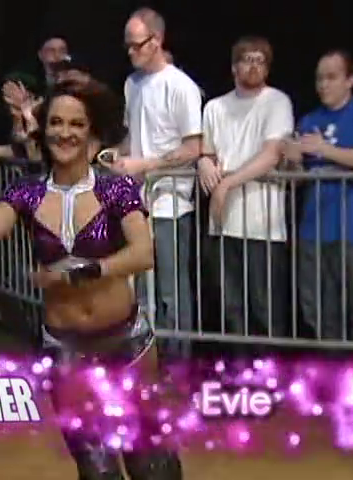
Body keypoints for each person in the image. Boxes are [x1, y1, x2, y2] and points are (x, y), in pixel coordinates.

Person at [0, 80, 183, 479]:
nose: (65, 132)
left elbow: (143, 253)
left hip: (127, 343)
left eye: (76, 123)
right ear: (43, 129)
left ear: (92, 133)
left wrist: (85, 270)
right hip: (65, 350)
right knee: (96, 467)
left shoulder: (116, 188)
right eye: (56, 122)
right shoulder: (27, 193)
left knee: (151, 463)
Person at [112, 8, 202, 361]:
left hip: (170, 204)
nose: (131, 52)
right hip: (138, 204)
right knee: (142, 292)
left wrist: (145, 164)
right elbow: (133, 136)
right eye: (127, 45)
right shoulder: (132, 84)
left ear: (157, 40)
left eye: (137, 45)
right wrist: (116, 156)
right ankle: (147, 360)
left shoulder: (181, 86)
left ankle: (179, 364)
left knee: (171, 291)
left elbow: (192, 148)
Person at [282, 49, 353, 342]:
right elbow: (296, 179)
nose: (323, 85)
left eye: (331, 77)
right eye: (319, 78)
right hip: (313, 229)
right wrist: (292, 161)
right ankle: (331, 364)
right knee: (318, 307)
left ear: (350, 80)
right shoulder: (309, 120)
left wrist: (324, 149)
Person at [198, 36, 293, 339]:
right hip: (223, 225)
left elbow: (271, 154)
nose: (253, 66)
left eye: (260, 60)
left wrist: (227, 183)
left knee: (266, 310)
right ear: (234, 67)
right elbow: (208, 152)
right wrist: (203, 162)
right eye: (247, 59)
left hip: (263, 225)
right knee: (231, 309)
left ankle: (270, 368)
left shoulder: (277, 101)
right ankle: (238, 366)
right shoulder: (214, 107)